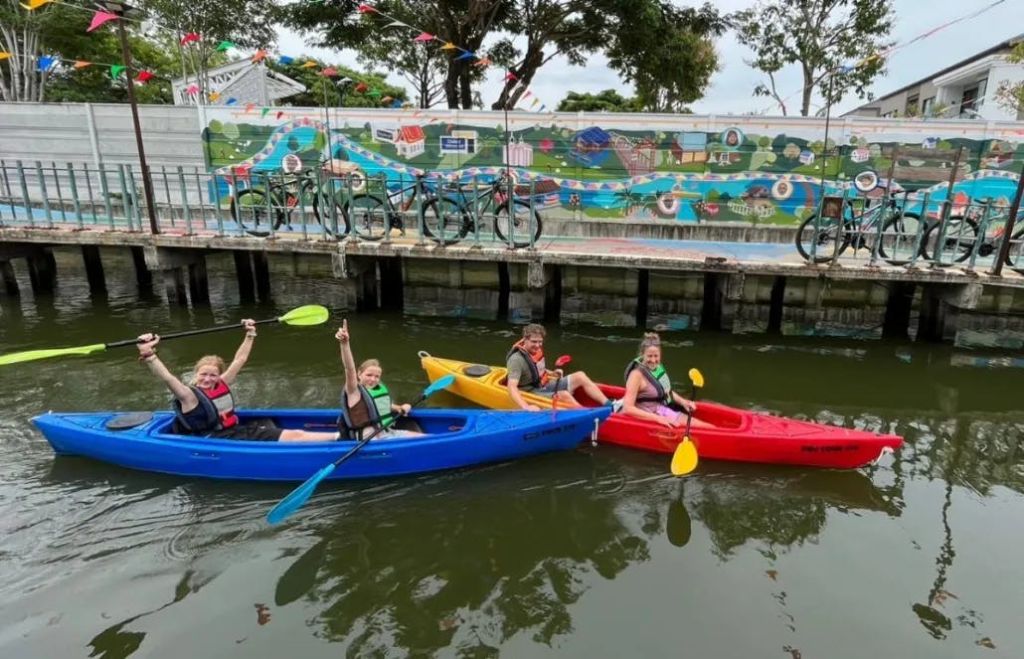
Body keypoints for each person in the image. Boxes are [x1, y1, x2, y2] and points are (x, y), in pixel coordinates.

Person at [137, 320, 339, 441]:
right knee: (295, 435)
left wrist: (250, 334)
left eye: (213, 375)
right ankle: (341, 438)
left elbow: (240, 359)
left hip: (233, 430)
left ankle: (337, 435)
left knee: (274, 424)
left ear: (219, 376)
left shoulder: (222, 383)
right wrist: (149, 355)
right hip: (213, 439)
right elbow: (167, 377)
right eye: (203, 374)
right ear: (196, 373)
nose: (207, 379)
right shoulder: (188, 396)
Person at [336, 319, 420, 440]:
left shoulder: (376, 389)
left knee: (425, 437)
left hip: (387, 431)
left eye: (377, 376)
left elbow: (381, 405)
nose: (373, 379)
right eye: (369, 375)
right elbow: (349, 368)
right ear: (359, 374)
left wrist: (399, 408)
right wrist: (344, 344)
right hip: (371, 440)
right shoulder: (353, 391)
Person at [505, 323, 619, 412]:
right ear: (525, 339)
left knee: (580, 376)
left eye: (540, 342)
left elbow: (535, 369)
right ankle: (588, 415)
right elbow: (512, 386)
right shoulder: (516, 360)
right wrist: (526, 406)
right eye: (534, 342)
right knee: (563, 394)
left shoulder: (535, 350)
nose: (538, 345)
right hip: (531, 391)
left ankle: (610, 405)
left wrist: (552, 373)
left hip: (543, 384)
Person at [621, 332, 712, 429]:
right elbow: (627, 408)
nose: (653, 360)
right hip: (649, 415)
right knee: (707, 428)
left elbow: (666, 390)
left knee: (709, 427)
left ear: (660, 355)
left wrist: (683, 402)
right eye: (649, 356)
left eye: (656, 356)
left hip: (661, 409)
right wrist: (658, 419)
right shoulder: (636, 375)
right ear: (643, 354)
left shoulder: (657, 368)